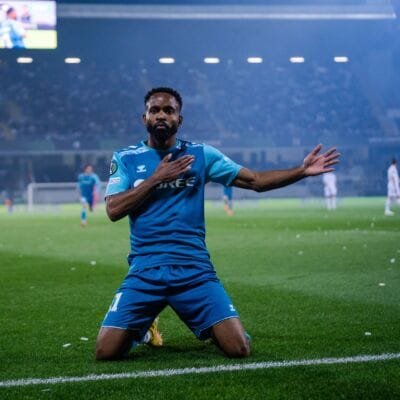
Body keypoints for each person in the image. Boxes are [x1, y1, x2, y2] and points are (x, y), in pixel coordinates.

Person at [95, 87, 340, 361]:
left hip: (193, 269)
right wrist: (156, 178)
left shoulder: (201, 155)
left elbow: (255, 181)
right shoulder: (125, 157)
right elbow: (113, 209)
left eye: (169, 110)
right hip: (145, 270)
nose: (161, 115)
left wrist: (302, 171)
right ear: (145, 118)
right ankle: (144, 326)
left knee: (239, 349)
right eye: (155, 110)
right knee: (105, 352)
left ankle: (209, 324)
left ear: (179, 119)